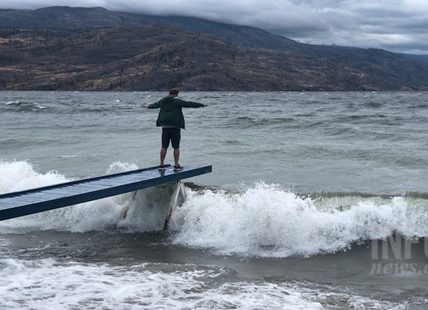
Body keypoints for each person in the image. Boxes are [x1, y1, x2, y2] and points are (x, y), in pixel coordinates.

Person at [144, 88, 209, 171]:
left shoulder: (162, 101)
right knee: (176, 147)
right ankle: (176, 165)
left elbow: (154, 105)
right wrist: (201, 105)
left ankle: (161, 164)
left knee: (164, 146)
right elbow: (189, 104)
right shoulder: (177, 101)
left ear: (169, 93)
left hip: (165, 126)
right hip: (175, 126)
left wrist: (148, 106)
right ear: (176, 94)